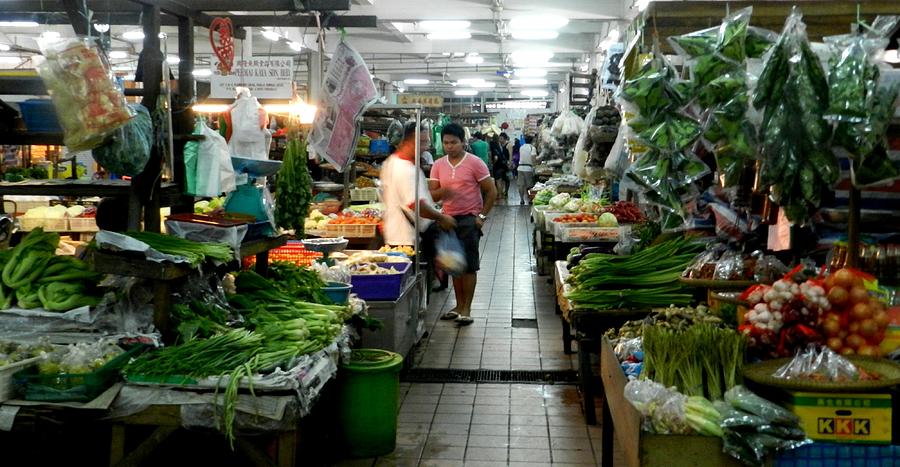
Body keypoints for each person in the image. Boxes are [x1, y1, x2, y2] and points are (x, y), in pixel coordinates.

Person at [429, 123, 498, 326]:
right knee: (453, 266)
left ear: (463, 142)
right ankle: (458, 306)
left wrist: (482, 217)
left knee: (468, 267)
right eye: (446, 143)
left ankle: (467, 308)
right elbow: (432, 193)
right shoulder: (438, 164)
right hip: (446, 220)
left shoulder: (475, 163)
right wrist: (444, 193)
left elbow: (492, 191)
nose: (449, 146)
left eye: (454, 142)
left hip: (469, 220)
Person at [380, 122, 456, 270]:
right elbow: (416, 205)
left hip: (397, 236)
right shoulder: (407, 169)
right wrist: (442, 218)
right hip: (408, 240)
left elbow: (410, 197)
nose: (426, 146)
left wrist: (440, 193)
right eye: (423, 142)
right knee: (412, 284)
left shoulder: (392, 162)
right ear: (409, 141)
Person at [516, 134, 536, 205]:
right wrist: (534, 166)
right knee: (529, 185)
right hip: (528, 168)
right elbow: (533, 158)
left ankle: (522, 200)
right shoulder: (532, 148)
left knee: (521, 185)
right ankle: (530, 199)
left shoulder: (521, 147)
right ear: (532, 141)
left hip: (520, 168)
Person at [492, 133, 512, 201]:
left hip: (503, 165)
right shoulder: (499, 145)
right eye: (499, 138)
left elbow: (510, 155)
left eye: (501, 138)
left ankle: (503, 193)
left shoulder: (508, 145)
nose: (500, 140)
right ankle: (502, 193)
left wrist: (510, 163)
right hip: (502, 165)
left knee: (503, 180)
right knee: (502, 179)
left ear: (504, 138)